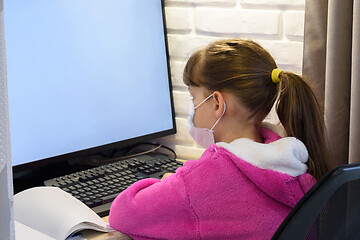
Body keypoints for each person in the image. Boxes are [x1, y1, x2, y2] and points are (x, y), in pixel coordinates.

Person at [109, 39, 332, 239]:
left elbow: (123, 213)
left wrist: (171, 182)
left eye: (193, 97)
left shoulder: (201, 181)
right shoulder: (292, 163)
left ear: (217, 103)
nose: (193, 109)